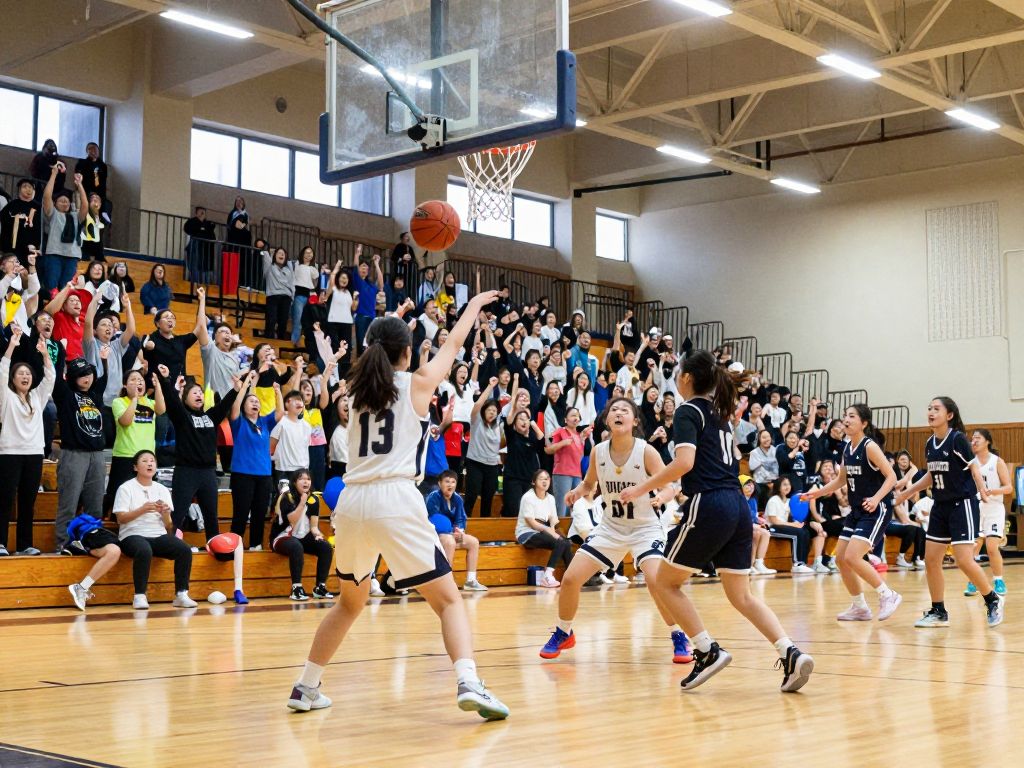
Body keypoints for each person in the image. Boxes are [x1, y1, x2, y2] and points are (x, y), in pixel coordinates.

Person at [287, 290, 509, 719]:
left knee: (349, 602)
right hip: (395, 498)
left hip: (352, 502)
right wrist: (474, 306)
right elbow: (454, 345)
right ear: (407, 352)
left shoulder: (354, 389)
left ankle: (305, 686)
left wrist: (396, 319)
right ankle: (469, 682)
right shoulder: (418, 382)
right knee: (448, 601)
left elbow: (380, 352)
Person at [619, 350, 814, 692]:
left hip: (710, 502)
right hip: (739, 505)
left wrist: (642, 488)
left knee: (665, 583)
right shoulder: (720, 414)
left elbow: (684, 463)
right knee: (742, 596)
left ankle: (706, 650)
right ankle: (791, 652)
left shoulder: (687, 410)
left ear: (687, 379)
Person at [541, 398, 693, 664]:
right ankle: (564, 632)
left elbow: (672, 486)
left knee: (657, 582)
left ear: (635, 421)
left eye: (625, 410)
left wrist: (660, 498)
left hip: (645, 528)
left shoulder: (646, 451)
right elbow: (589, 484)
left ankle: (678, 635)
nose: (619, 413)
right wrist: (578, 491)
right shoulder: (598, 451)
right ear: (607, 420)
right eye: (614, 410)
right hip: (611, 527)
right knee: (570, 579)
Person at [894, 397, 1004, 628]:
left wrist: (982, 489)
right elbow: (931, 476)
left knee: (963, 560)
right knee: (932, 559)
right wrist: (906, 493)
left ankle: (992, 599)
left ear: (949, 415)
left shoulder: (957, 439)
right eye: (929, 409)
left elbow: (973, 466)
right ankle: (938, 610)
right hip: (940, 506)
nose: (931, 412)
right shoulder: (929, 443)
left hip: (961, 505)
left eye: (937, 409)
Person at [803, 405, 902, 622]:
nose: (846, 420)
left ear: (864, 423)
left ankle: (888, 594)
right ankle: (860, 607)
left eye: (852, 416)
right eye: (845, 416)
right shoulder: (847, 448)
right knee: (840, 559)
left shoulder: (870, 447)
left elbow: (892, 476)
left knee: (853, 557)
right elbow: (840, 481)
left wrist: (876, 498)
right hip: (857, 510)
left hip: (876, 509)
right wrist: (816, 494)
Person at [155, 363, 239, 537]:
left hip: (208, 473)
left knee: (211, 517)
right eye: (194, 393)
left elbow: (223, 406)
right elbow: (171, 401)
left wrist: (236, 390)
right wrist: (165, 380)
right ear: (185, 399)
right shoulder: (182, 417)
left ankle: (213, 549)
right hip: (186, 472)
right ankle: (169, 545)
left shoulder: (210, 417)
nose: (199, 395)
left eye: (200, 392)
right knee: (177, 514)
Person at [113, 449, 196, 609]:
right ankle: (139, 595)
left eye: (152, 460)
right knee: (144, 550)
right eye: (144, 461)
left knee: (184, 550)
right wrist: (142, 510)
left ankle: (181, 594)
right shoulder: (126, 488)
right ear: (136, 467)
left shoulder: (162, 489)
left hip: (157, 535)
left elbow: (169, 526)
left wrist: (165, 513)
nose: (149, 463)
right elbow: (121, 518)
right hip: (132, 535)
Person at [0, 327, 55, 556]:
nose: (25, 376)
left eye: (28, 374)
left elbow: (50, 377)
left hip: (34, 453)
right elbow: (2, 371)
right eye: (20, 374)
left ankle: (24, 545)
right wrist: (12, 345)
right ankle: (1, 544)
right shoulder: (6, 396)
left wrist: (44, 355)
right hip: (9, 452)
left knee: (27, 501)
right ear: (13, 378)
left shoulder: (37, 397)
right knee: (4, 500)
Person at [52, 355, 109, 553]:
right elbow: (56, 378)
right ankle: (63, 544)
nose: (87, 378)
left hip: (97, 455)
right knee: (69, 503)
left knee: (95, 505)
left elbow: (104, 378)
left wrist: (104, 361)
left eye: (89, 373)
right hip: (73, 454)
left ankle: (92, 543)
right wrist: (52, 355)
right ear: (73, 377)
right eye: (82, 375)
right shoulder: (66, 394)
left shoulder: (95, 395)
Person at [230, 370, 283, 551]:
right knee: (241, 513)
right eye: (251, 401)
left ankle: (256, 545)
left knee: (260, 513)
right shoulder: (239, 422)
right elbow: (235, 407)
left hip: (264, 475)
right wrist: (245, 386)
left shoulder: (265, 422)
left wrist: (278, 392)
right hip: (242, 474)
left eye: (257, 401)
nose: (255, 403)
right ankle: (234, 545)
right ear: (244, 406)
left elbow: (280, 412)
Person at [105, 369, 166, 517]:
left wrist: (158, 386)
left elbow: (161, 410)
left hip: (146, 457)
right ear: (125, 385)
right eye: (133, 380)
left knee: (141, 498)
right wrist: (134, 399)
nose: (138, 382)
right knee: (118, 497)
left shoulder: (150, 403)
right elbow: (125, 422)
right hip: (125, 456)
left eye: (140, 380)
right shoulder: (118, 402)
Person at [271, 468, 335, 601]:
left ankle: (320, 587)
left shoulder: (314, 499)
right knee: (296, 546)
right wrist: (302, 503)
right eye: (301, 479)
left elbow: (313, 526)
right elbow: (292, 520)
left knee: (326, 547)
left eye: (308, 479)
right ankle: (296, 588)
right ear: (294, 482)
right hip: (282, 537)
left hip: (303, 537)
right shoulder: (286, 497)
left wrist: (318, 535)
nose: (306, 482)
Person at [964, 428, 1009, 597]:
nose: (973, 441)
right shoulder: (970, 462)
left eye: (977, 438)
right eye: (972, 438)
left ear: (987, 441)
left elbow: (1008, 487)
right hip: (976, 507)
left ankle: (998, 580)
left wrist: (992, 491)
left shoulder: (997, 461)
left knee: (991, 547)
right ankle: (974, 581)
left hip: (994, 508)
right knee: (973, 547)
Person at [426, 470, 487, 591]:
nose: (450, 485)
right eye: (447, 481)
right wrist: (449, 533)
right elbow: (432, 520)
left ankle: (471, 580)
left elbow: (460, 519)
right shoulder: (433, 497)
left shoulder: (458, 499)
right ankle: (446, 582)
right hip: (434, 535)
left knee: (473, 542)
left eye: (453, 482)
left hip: (451, 534)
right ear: (439, 483)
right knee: (450, 542)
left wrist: (460, 530)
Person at [515, 469, 571, 588]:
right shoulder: (528, 497)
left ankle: (571, 576)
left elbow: (553, 521)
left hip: (543, 531)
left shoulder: (550, 498)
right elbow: (532, 523)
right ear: (534, 482)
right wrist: (551, 532)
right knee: (559, 541)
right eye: (541, 479)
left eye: (547, 478)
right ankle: (547, 576)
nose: (545, 481)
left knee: (565, 543)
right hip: (527, 533)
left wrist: (556, 533)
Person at [41, 162, 87, 291]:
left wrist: (79, 185)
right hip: (54, 254)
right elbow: (46, 197)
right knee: (52, 288)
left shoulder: (75, 216)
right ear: (55, 203)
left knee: (67, 289)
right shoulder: (53, 214)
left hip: (72, 256)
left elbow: (85, 205)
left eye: (66, 201)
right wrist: (54, 174)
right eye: (61, 200)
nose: (64, 202)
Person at [765, 477, 824, 574]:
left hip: (783, 526)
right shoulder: (773, 500)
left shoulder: (789, 501)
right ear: (778, 487)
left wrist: (804, 523)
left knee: (805, 531)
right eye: (784, 484)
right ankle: (797, 564)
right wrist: (792, 525)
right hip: (772, 528)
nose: (787, 487)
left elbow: (796, 516)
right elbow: (774, 521)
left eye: (788, 484)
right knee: (798, 533)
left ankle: (803, 563)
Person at [65, 512, 122, 611]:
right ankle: (81, 588)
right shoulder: (84, 523)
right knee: (114, 551)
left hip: (104, 536)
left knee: (114, 552)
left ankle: (82, 587)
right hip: (95, 533)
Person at [463, 380, 502, 518]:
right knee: (471, 496)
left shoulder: (497, 426)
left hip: (492, 466)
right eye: (489, 410)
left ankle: (485, 532)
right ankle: (462, 525)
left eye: (495, 411)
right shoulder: (476, 420)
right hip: (475, 463)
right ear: (484, 411)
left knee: (488, 498)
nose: (492, 413)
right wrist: (490, 386)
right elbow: (478, 404)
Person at [546, 408, 590, 517]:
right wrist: (563, 443)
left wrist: (583, 439)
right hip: (562, 473)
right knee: (561, 507)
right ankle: (558, 532)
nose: (576, 418)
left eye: (577, 416)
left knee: (576, 507)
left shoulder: (579, 435)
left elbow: (580, 456)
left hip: (577, 475)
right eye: (573, 415)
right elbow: (549, 449)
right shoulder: (560, 431)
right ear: (566, 419)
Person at [271, 389, 312, 484]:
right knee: (284, 498)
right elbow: (271, 446)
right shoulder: (281, 423)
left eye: (300, 400)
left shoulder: (307, 426)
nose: (298, 402)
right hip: (283, 470)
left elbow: (304, 449)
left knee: (300, 498)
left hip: (302, 470)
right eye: (294, 400)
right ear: (286, 404)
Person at [741, 475, 776, 575]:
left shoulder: (753, 500)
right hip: (740, 525)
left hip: (750, 525)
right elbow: (742, 517)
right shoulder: (739, 499)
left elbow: (753, 516)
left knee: (766, 533)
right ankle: (749, 564)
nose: (751, 487)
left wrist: (759, 521)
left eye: (752, 484)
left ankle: (759, 563)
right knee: (756, 533)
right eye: (747, 484)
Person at [1, 179, 42, 262]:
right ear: (19, 189)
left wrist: (36, 245)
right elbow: (3, 218)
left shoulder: (38, 207)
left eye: (30, 187)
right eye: (24, 186)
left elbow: (39, 227)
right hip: (12, 246)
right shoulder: (13, 204)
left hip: (30, 246)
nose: (28, 189)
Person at [263, 247, 294, 340]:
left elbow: (292, 283)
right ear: (274, 256)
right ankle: (268, 339)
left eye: (283, 254)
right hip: (273, 295)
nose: (281, 255)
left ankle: (280, 340)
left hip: (286, 297)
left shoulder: (289, 270)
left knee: (283, 320)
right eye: (279, 253)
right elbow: (265, 255)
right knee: (271, 319)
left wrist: (292, 297)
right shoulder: (270, 267)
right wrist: (269, 251)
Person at [291, 246, 318, 345]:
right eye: (306, 252)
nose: (308, 254)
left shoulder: (313, 268)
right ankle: (294, 343)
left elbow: (315, 283)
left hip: (311, 295)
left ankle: (310, 344)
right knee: (297, 321)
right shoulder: (296, 264)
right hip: (299, 295)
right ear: (302, 254)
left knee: (312, 321)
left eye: (310, 253)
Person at [184, 206, 217, 286]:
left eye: (203, 212)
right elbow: (187, 229)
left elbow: (212, 237)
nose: (202, 214)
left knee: (204, 275)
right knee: (195, 273)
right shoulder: (192, 222)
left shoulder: (208, 224)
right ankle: (195, 286)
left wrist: (203, 228)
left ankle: (204, 288)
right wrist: (199, 222)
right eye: (200, 212)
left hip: (205, 253)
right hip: (195, 251)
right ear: (196, 213)